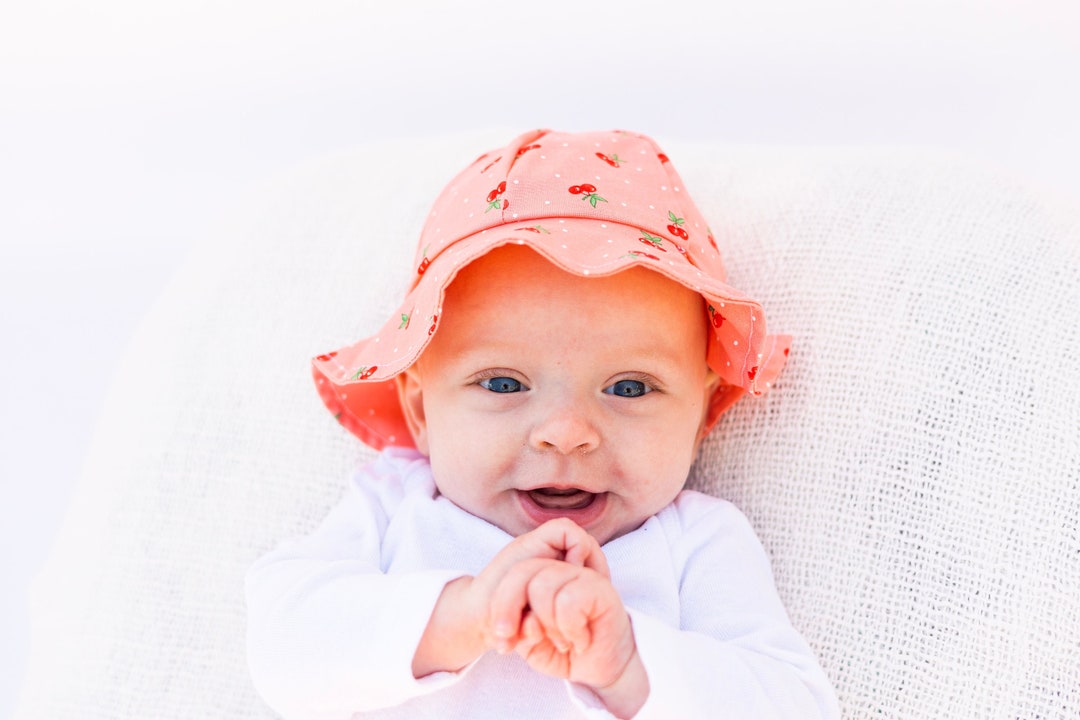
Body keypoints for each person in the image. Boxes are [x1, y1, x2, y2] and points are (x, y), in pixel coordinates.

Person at [245, 128, 840, 719]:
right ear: (421, 407)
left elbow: (793, 704)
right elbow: (282, 640)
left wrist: (629, 665)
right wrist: (464, 613)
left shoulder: (696, 545)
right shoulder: (394, 504)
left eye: (629, 387)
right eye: (503, 384)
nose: (565, 431)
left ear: (702, 412)